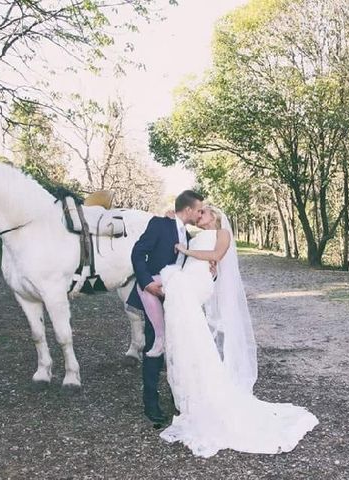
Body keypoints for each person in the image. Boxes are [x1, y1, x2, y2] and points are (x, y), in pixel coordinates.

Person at [158, 206, 319, 457]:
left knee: (192, 330)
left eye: (203, 213)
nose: (199, 216)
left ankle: (202, 394)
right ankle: (192, 391)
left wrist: (187, 251)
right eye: (198, 213)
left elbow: (216, 254)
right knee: (188, 338)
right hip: (191, 280)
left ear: (214, 216)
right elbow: (186, 236)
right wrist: (173, 219)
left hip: (193, 284)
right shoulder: (194, 234)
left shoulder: (222, 233)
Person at [127, 190, 204, 426]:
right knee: (154, 347)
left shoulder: (189, 237)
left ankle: (177, 398)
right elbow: (138, 252)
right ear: (188, 209)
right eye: (199, 209)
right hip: (153, 295)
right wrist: (147, 282)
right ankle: (150, 404)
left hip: (175, 301)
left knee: (177, 348)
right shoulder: (160, 224)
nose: (200, 214)